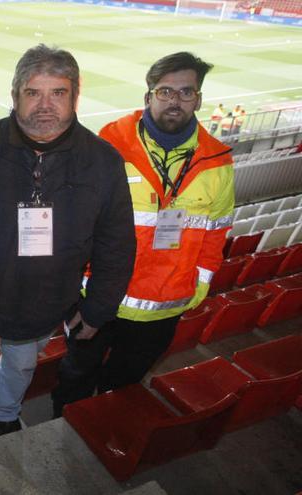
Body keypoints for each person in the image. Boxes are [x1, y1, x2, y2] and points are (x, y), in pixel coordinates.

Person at [0, 44, 136, 453]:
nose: (45, 105)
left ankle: (6, 412)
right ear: (15, 95)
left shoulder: (102, 162)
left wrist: (98, 308)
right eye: (34, 92)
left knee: (21, 365)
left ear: (75, 96)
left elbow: (116, 243)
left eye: (58, 92)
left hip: (45, 301)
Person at [51, 52, 234, 417]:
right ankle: (64, 427)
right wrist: (75, 291)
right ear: (148, 96)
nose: (175, 101)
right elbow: (74, 221)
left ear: (198, 99)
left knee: (123, 383)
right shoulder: (109, 144)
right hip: (98, 300)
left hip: (162, 309)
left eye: (186, 92)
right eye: (165, 91)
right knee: (76, 373)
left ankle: (102, 426)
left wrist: (194, 290)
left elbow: (216, 233)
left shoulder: (218, 161)